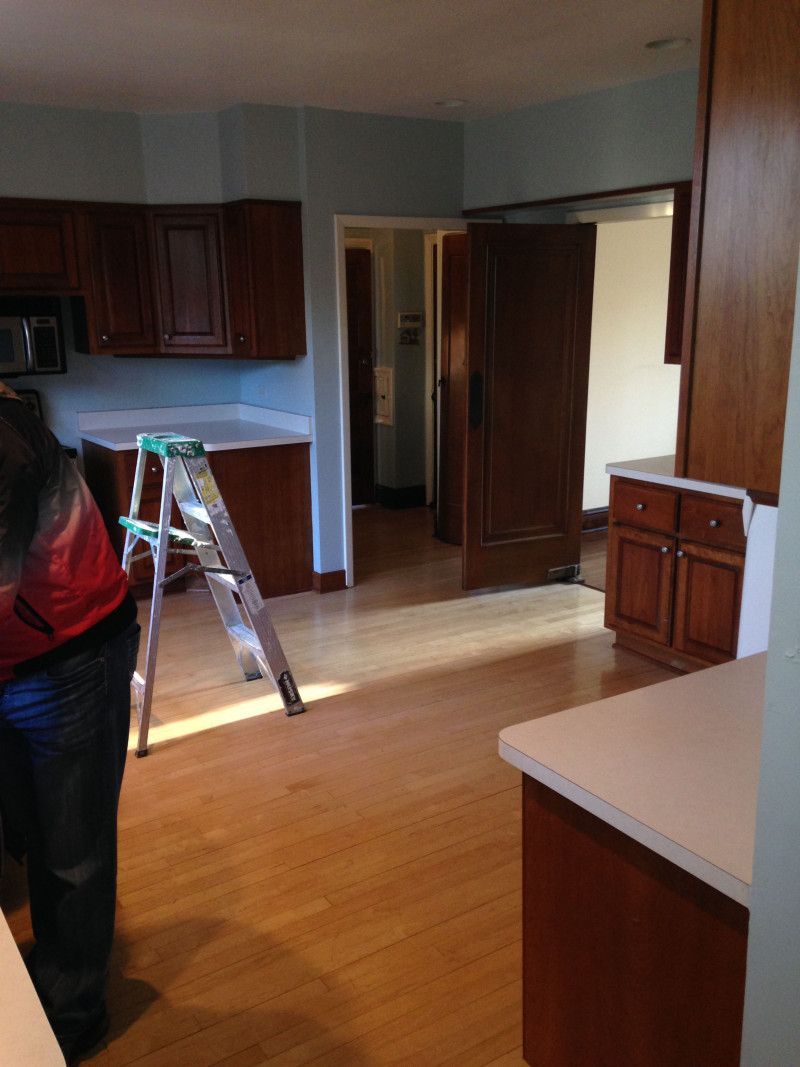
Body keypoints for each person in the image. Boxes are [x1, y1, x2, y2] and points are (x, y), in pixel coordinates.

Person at [0, 381, 140, 1064]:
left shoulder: (1, 437)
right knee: (36, 831)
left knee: (71, 851)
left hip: (70, 655)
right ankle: (54, 972)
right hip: (26, 657)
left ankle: (72, 1013)